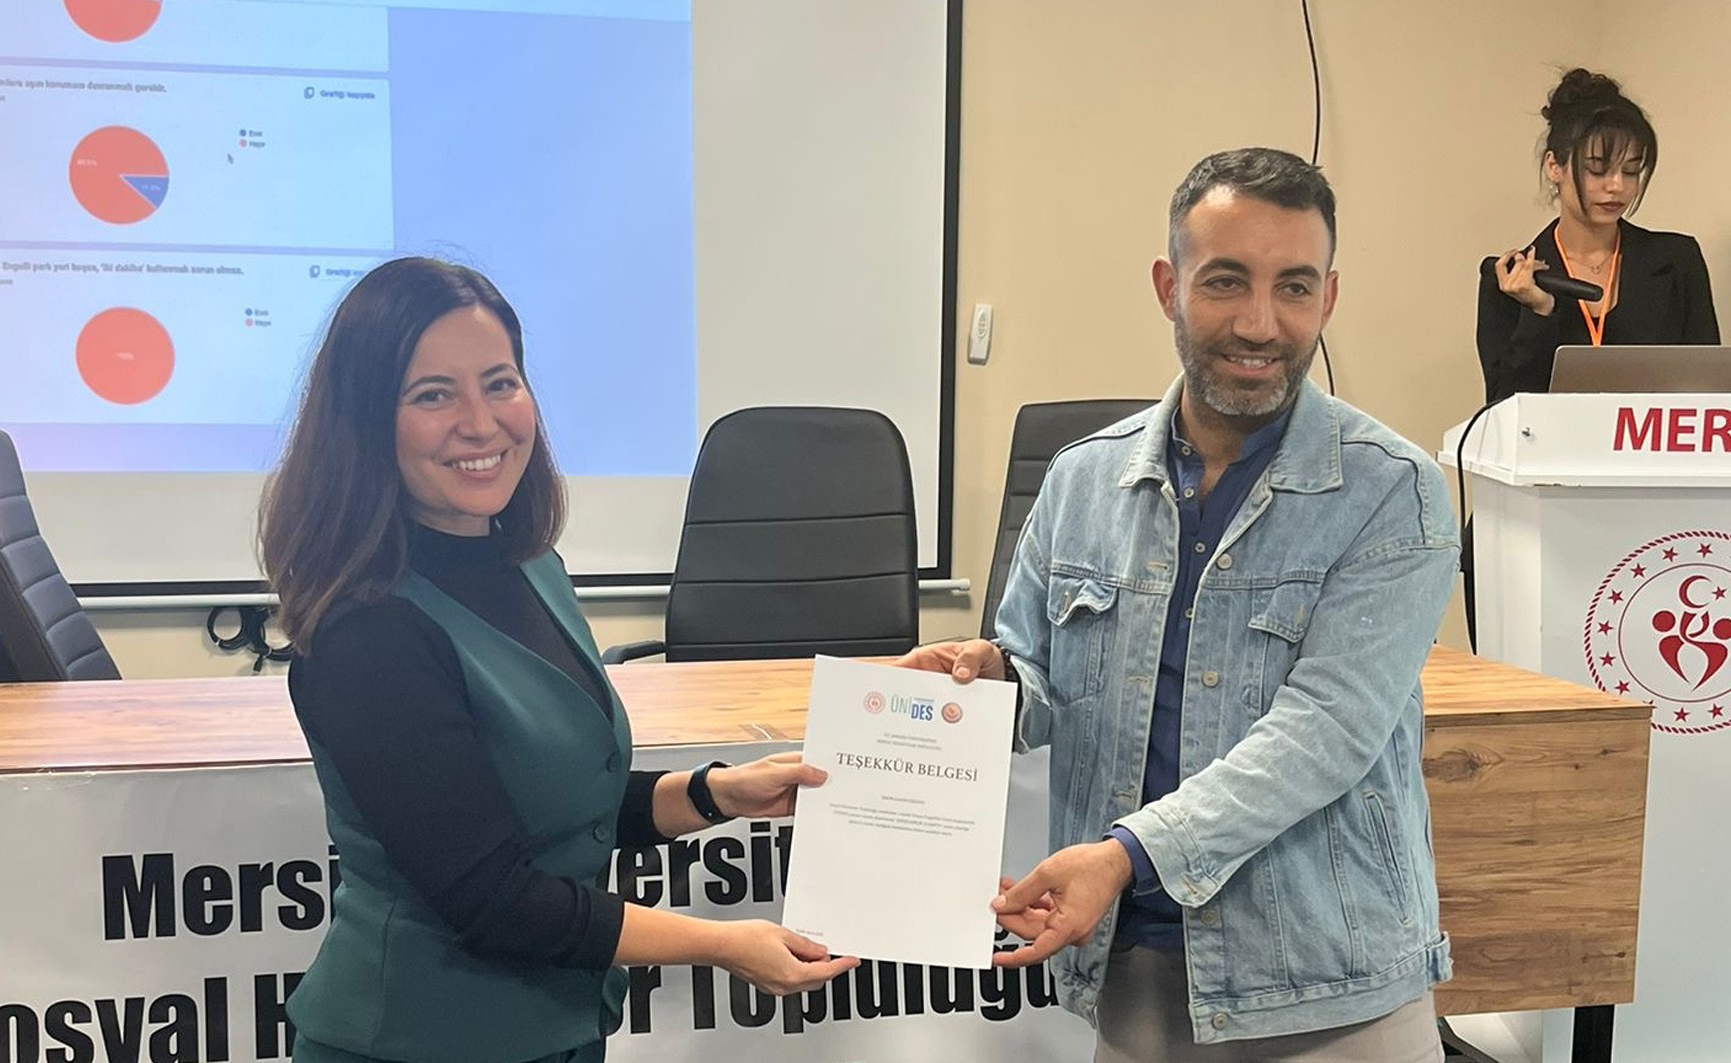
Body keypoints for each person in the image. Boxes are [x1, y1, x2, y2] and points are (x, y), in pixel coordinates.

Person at [899, 149, 1458, 1061]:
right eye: (1225, 281)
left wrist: (1122, 853)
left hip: (1330, 990)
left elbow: (1326, 730)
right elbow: (1038, 676)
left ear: (1329, 298)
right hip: (1136, 978)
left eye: (1294, 287)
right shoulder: (1081, 480)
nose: (1259, 322)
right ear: (1169, 287)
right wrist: (990, 678)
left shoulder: (1394, 489)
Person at [258, 257, 856, 1063]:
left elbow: (565, 802)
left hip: (557, 1032)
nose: (481, 422)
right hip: (414, 1044)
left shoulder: (531, 566)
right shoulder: (368, 632)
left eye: (499, 382)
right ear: (367, 420)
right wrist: (723, 942)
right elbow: (496, 896)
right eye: (433, 395)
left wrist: (718, 792)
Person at [1479, 67, 1718, 404]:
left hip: (1652, 438)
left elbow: (1708, 395)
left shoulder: (1677, 260)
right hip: (1554, 441)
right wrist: (1538, 312)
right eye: (1596, 168)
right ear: (1554, 167)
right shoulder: (1509, 279)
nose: (1617, 186)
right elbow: (1503, 410)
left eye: (1631, 170)